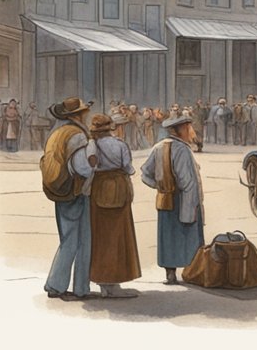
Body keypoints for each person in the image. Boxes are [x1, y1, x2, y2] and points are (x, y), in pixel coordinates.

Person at [42, 97, 97, 300]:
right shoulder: (77, 135)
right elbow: (82, 167)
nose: (87, 115)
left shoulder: (57, 134)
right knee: (79, 241)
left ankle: (69, 287)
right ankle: (64, 286)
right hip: (76, 191)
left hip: (59, 190)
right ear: (77, 115)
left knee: (70, 239)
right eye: (84, 112)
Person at [140, 113, 205, 285]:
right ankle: (193, 272)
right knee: (188, 235)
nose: (190, 131)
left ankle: (170, 274)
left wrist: (161, 187)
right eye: (187, 128)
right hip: (184, 200)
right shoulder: (182, 150)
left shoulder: (159, 147)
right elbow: (187, 181)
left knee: (168, 237)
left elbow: (145, 174)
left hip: (165, 200)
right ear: (178, 130)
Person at [87, 114, 140, 298]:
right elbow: (128, 167)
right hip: (118, 187)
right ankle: (114, 283)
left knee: (100, 235)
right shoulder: (120, 144)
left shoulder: (91, 145)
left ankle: (102, 282)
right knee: (119, 235)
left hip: (99, 188)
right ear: (111, 128)